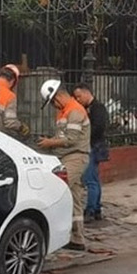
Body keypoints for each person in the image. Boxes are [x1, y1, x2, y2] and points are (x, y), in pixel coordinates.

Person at [38, 79, 90, 250]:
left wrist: (49, 143)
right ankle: (77, 239)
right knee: (74, 198)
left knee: (57, 190)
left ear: (58, 96)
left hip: (75, 157)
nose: (53, 105)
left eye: (52, 102)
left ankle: (54, 235)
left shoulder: (74, 111)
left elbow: (71, 139)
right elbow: (63, 135)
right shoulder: (65, 111)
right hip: (67, 157)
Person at [73, 83, 110, 221]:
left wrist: (84, 137)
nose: (77, 100)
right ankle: (96, 208)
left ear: (86, 93)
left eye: (79, 96)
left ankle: (90, 210)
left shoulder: (97, 108)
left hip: (93, 146)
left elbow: (98, 128)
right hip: (95, 145)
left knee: (90, 180)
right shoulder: (91, 108)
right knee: (94, 178)